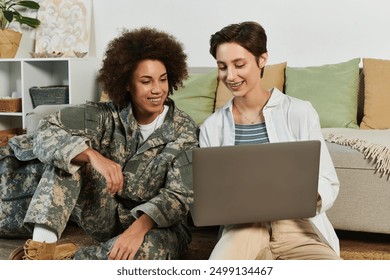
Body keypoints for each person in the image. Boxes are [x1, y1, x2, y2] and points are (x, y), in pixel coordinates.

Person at [0, 27, 198, 260]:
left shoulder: (183, 129)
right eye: (146, 81)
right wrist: (92, 155)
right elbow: (46, 130)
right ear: (127, 84)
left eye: (163, 80)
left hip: (155, 224)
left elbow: (178, 196)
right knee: (70, 158)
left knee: (143, 253)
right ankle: (40, 250)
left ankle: (64, 263)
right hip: (104, 213)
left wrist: (136, 231)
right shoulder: (105, 115)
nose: (157, 89)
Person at [199, 21, 341, 260]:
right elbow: (212, 195)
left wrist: (307, 196)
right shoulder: (212, 127)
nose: (230, 76)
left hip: (298, 228)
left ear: (262, 59)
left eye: (239, 64)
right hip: (243, 229)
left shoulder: (299, 111)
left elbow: (327, 180)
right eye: (222, 67)